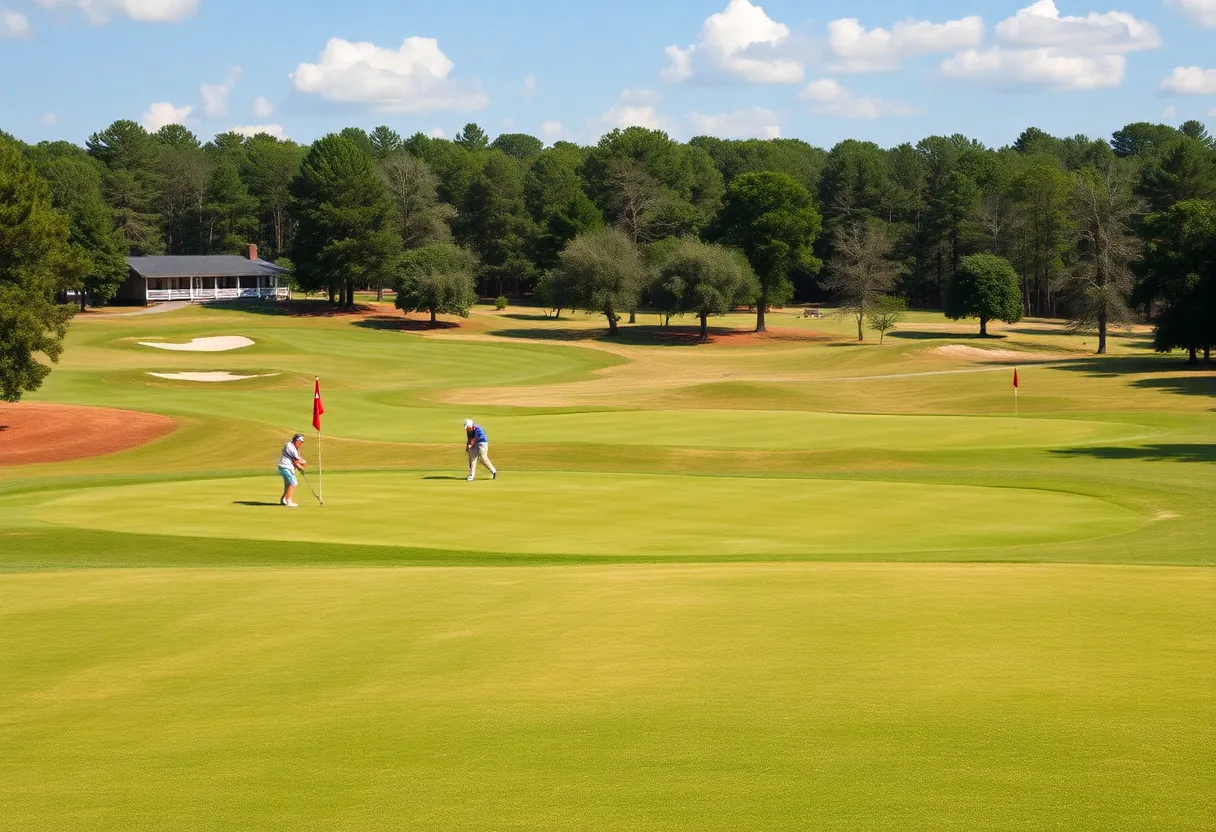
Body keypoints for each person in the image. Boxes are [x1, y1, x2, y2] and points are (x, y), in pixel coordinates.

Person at [278, 433, 307, 507]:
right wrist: (302, 468)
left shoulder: (291, 444)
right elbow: (296, 462)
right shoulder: (291, 448)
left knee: (288, 484)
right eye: (300, 442)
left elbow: (298, 458)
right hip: (286, 466)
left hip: (285, 466)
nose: (301, 444)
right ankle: (288, 501)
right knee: (293, 482)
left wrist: (302, 463)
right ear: (297, 441)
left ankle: (284, 499)